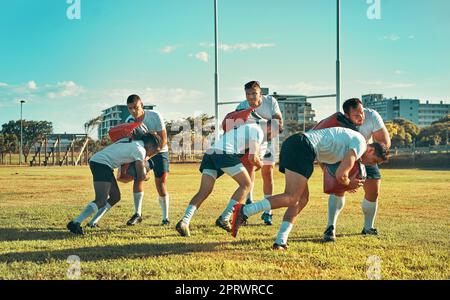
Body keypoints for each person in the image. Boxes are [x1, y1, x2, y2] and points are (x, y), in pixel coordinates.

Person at [231, 127, 389, 247]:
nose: (371, 164)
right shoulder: (361, 144)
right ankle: (244, 211)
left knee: (301, 199)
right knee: (292, 196)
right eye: (374, 160)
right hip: (303, 147)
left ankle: (280, 241)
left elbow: (330, 155)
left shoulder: (354, 141)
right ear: (371, 149)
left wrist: (343, 180)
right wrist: (350, 184)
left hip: (297, 144)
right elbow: (342, 174)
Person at [175, 120, 276, 237]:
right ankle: (225, 217)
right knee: (246, 185)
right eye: (274, 134)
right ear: (269, 128)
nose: (271, 138)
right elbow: (252, 157)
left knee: (204, 191)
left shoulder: (248, 127)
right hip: (224, 153)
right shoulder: (258, 130)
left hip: (211, 153)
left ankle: (184, 221)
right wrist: (260, 165)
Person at [88, 94, 170, 227]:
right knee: (138, 176)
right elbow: (130, 143)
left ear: (141, 105)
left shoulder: (155, 116)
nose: (133, 111)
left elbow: (164, 139)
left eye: (136, 107)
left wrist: (148, 156)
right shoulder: (130, 119)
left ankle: (165, 218)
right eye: (130, 108)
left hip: (160, 152)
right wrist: (135, 161)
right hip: (142, 153)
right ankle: (138, 214)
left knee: (161, 183)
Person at [66, 132, 162, 235]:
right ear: (150, 145)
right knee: (101, 200)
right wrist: (146, 173)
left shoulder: (134, 142)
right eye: (154, 151)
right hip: (102, 164)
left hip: (103, 163)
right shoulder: (141, 150)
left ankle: (92, 222)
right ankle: (76, 222)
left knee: (115, 196)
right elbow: (140, 176)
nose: (152, 154)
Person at [235, 81, 283, 225]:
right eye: (248, 94)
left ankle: (268, 211)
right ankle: (248, 201)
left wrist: (266, 138)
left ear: (260, 93)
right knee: (249, 170)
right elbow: (234, 127)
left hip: (269, 141)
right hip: (251, 144)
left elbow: (278, 123)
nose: (251, 97)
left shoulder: (270, 102)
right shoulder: (242, 106)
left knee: (268, 173)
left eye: (254, 93)